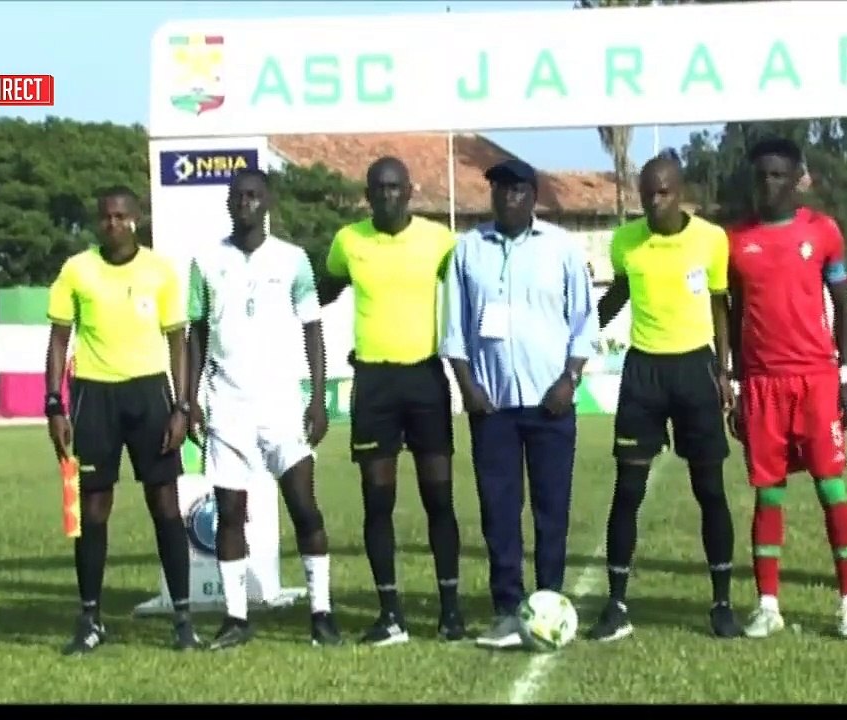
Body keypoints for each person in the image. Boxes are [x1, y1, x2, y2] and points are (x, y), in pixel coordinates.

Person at [440, 159, 598, 649]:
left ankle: (549, 600)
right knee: (499, 513)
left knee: (552, 511)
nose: (506, 197)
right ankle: (508, 608)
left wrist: (569, 381)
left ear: (533, 195)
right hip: (493, 407)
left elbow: (584, 323)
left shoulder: (562, 249)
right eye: (498, 189)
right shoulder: (468, 250)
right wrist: (468, 389)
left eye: (515, 189)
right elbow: (453, 330)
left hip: (551, 403)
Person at [186, 168, 341, 649]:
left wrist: (317, 398)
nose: (246, 203)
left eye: (254, 195)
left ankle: (322, 614)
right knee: (229, 515)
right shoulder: (206, 261)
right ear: (229, 203)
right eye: (238, 196)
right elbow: (196, 334)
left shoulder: (293, 260)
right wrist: (189, 400)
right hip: (227, 409)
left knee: (305, 510)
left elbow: (313, 328)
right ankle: (236, 618)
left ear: (268, 200)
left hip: (281, 408)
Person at [588, 154, 740, 642]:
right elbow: (619, 295)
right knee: (627, 491)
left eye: (664, 192)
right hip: (644, 373)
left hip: (695, 369)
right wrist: (578, 330)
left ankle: (721, 604)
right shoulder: (625, 242)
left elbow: (721, 305)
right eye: (647, 194)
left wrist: (723, 370)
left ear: (681, 190)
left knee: (709, 490)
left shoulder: (711, 240)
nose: (655, 202)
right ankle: (615, 605)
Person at [44, 186, 196, 654]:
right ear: (98, 221)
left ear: (137, 219)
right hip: (94, 396)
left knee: (166, 506)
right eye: (106, 217)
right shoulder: (76, 270)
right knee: (90, 511)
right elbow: (58, 340)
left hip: (150, 395)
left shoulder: (160, 271)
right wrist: (54, 404)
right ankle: (90, 619)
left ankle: (183, 619)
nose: (113, 224)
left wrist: (182, 406)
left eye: (122, 216)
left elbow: (178, 342)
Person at [320, 156, 465, 646]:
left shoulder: (439, 241)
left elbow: (470, 290)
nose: (386, 195)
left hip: (425, 378)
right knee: (377, 503)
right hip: (374, 383)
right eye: (378, 188)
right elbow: (322, 291)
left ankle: (450, 611)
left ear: (410, 190)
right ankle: (390, 614)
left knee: (439, 500)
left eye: (395, 187)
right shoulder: (348, 241)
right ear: (367, 193)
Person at [726, 138, 847, 639]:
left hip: (817, 380)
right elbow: (736, 316)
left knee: (832, 487)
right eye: (762, 176)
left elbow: (845, 307)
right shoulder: (736, 241)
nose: (769, 184)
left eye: (779, 175)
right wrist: (739, 386)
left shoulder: (823, 232)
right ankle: (767, 605)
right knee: (768, 494)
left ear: (798, 178)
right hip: (763, 385)